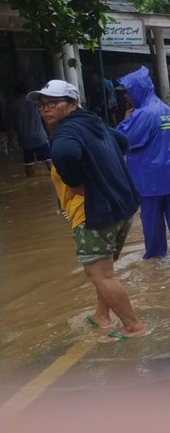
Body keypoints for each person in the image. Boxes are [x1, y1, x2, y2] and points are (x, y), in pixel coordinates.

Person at [28, 80, 147, 343]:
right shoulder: (93, 122)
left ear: (72, 103)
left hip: (93, 212)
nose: (46, 110)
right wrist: (103, 172)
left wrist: (76, 180)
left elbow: (64, 153)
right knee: (105, 269)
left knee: (99, 274)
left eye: (53, 103)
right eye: (42, 105)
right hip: (122, 207)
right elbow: (122, 141)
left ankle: (133, 327)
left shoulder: (65, 132)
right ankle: (102, 315)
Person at [116, 66, 170, 262]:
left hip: (151, 182)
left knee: (152, 224)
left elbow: (120, 141)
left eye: (127, 92)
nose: (126, 97)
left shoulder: (142, 115)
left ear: (137, 89)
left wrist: (125, 120)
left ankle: (155, 262)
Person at [4, 81, 52, 176]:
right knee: (49, 162)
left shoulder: (12, 106)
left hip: (25, 140)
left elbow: (11, 128)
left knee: (29, 165)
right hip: (40, 137)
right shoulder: (36, 103)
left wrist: (10, 142)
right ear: (28, 90)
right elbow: (45, 120)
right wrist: (50, 134)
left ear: (15, 92)